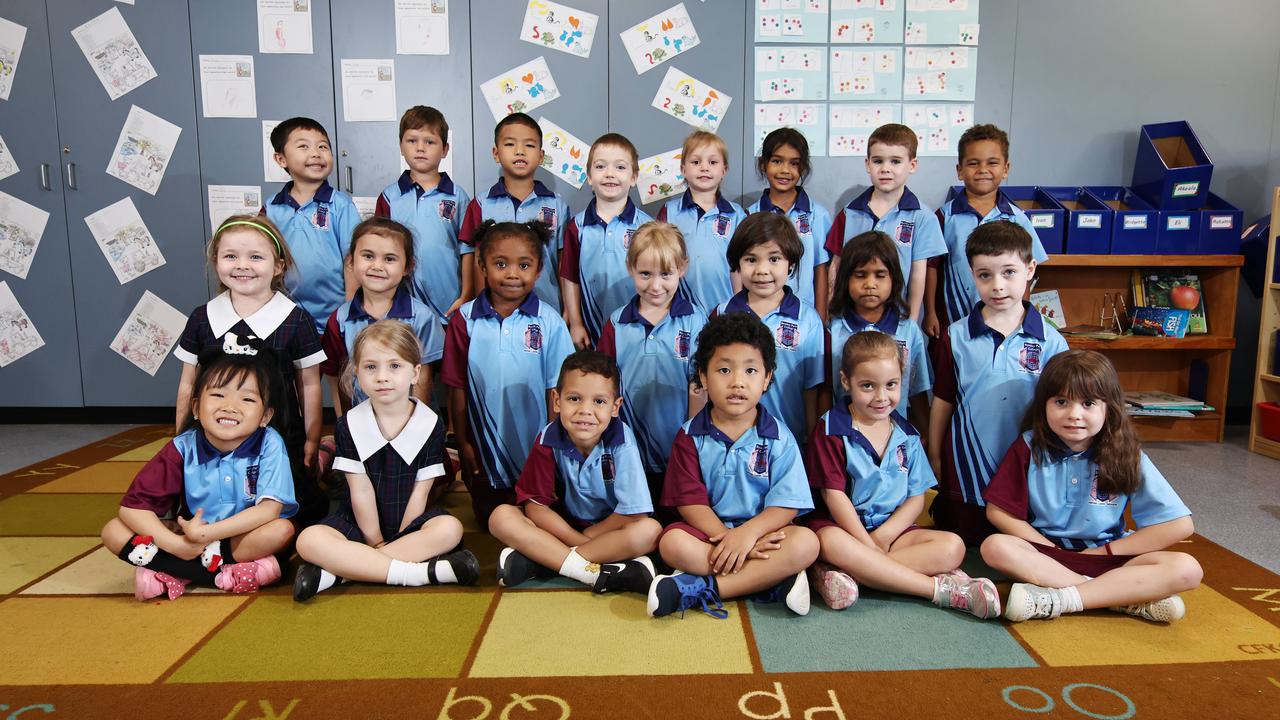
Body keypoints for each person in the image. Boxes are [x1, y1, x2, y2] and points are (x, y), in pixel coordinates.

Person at [981, 350, 1203, 623]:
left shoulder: (1127, 452)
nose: (1074, 414)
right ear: (1044, 405)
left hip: (1109, 556)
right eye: (1061, 402)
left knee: (1188, 569)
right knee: (995, 547)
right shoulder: (1029, 446)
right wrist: (1050, 548)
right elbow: (998, 511)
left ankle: (1061, 599)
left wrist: (1105, 552)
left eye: (1088, 403)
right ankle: (1120, 599)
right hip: (1048, 555)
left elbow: (1180, 525)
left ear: (1108, 407)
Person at [805, 331, 999, 617]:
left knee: (952, 547)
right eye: (868, 386)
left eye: (891, 385)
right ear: (846, 382)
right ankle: (939, 590)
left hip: (891, 531)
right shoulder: (831, 428)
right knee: (830, 543)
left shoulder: (907, 435)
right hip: (843, 529)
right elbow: (834, 497)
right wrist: (867, 544)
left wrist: (882, 539)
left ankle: (848, 576)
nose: (882, 397)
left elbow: (915, 500)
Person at [648, 313, 819, 619]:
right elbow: (690, 504)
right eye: (724, 370)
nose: (738, 382)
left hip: (762, 534)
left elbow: (787, 505)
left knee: (806, 543)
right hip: (711, 535)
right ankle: (771, 579)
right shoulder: (689, 436)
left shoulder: (779, 436)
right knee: (672, 544)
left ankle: (705, 589)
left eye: (751, 370)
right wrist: (730, 541)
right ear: (703, 376)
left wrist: (748, 535)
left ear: (767, 378)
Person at [294, 321, 478, 601]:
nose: (382, 377)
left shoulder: (430, 424)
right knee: (308, 540)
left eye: (394, 366)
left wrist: (402, 537)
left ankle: (338, 573)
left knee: (449, 529)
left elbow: (421, 490)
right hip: (359, 522)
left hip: (412, 521)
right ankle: (417, 573)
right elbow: (361, 490)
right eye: (370, 367)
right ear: (357, 372)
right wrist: (376, 541)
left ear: (415, 373)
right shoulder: (349, 425)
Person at [102, 349, 297, 600]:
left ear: (265, 416)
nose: (230, 407)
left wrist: (205, 535)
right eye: (217, 395)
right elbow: (132, 508)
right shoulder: (183, 447)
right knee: (113, 530)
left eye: (247, 400)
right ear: (196, 407)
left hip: (237, 539)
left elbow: (269, 510)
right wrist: (178, 546)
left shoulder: (269, 442)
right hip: (189, 537)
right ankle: (222, 574)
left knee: (280, 530)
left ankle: (172, 571)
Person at [174, 215, 326, 527]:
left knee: (295, 512)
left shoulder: (296, 320)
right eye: (230, 256)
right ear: (216, 261)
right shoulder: (202, 318)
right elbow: (188, 384)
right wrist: (180, 436)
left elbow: (309, 385)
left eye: (255, 257)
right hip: (214, 432)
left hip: (279, 433)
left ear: (278, 265)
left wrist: (312, 439)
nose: (242, 265)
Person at [928, 220, 1068, 545]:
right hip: (966, 468)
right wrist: (935, 454)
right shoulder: (956, 335)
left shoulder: (1052, 342)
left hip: (1028, 465)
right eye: (985, 275)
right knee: (965, 546)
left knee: (1021, 544)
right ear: (972, 275)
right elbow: (943, 400)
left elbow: (1061, 408)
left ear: (1030, 269)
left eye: (1009, 272)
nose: (998, 286)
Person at [488, 350, 661, 594]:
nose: (585, 411)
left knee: (649, 531)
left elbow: (633, 512)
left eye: (599, 401)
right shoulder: (548, 438)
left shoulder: (622, 441)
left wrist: (591, 534)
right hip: (561, 528)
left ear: (615, 406)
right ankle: (592, 572)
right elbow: (535, 507)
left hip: (608, 531)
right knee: (501, 517)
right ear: (557, 400)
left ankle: (543, 560)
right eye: (574, 399)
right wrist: (576, 539)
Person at [442, 220, 574, 527]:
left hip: (535, 448)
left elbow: (557, 391)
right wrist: (463, 442)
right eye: (501, 264)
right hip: (484, 451)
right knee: (491, 522)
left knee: (541, 517)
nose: (512, 274)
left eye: (524, 265)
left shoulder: (549, 321)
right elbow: (456, 386)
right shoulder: (465, 321)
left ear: (539, 269)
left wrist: (553, 448)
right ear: (483, 267)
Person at [596, 221, 708, 502]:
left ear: (682, 268)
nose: (655, 286)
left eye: (666, 274)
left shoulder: (695, 320)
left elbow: (701, 384)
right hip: (628, 447)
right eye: (645, 274)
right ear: (630, 268)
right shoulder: (616, 323)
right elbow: (601, 387)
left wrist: (691, 438)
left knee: (674, 515)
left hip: (678, 444)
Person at [924, 123, 1048, 338]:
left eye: (992, 163)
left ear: (1006, 168)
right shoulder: (945, 217)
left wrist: (1023, 313)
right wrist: (931, 313)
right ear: (959, 170)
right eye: (973, 163)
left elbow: (1027, 270)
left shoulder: (1018, 218)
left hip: (1005, 320)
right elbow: (932, 268)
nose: (982, 170)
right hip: (953, 321)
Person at [715, 212, 827, 444]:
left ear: (791, 264)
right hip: (733, 440)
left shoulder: (808, 320)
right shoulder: (722, 314)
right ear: (737, 264)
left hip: (791, 443)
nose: (762, 270)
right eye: (751, 259)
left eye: (774, 259)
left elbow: (813, 389)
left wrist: (811, 441)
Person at [320, 217, 443, 415]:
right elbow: (337, 376)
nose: (377, 266)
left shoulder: (422, 318)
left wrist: (416, 427)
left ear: (407, 267)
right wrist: (344, 422)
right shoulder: (340, 319)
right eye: (368, 256)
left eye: (389, 259)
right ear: (351, 261)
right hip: (363, 423)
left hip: (410, 422)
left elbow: (423, 378)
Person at [825, 123, 944, 322]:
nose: (885, 169)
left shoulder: (923, 217)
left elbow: (918, 274)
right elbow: (836, 266)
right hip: (851, 317)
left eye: (895, 161)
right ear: (867, 164)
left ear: (912, 165)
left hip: (896, 318)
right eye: (878, 161)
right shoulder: (849, 213)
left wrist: (912, 322)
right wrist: (831, 307)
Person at [460, 112, 570, 314]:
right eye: (510, 144)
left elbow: (564, 262)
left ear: (541, 156)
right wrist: (481, 306)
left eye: (529, 145)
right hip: (495, 311)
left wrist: (568, 310)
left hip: (546, 310)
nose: (520, 151)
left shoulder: (557, 205)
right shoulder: (481, 204)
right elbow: (476, 258)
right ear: (496, 153)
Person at [827, 230, 931, 434]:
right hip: (845, 435)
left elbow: (917, 389)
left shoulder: (908, 330)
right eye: (860, 275)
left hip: (895, 435)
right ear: (845, 280)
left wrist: (926, 435)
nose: (870, 284)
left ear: (894, 280)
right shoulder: (833, 330)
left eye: (880, 275)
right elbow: (826, 391)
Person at [263, 116, 360, 334]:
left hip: (333, 318)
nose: (315, 153)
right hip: (284, 315)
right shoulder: (271, 208)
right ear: (281, 159)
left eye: (323, 147)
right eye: (303, 146)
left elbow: (352, 258)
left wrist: (351, 304)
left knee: (332, 368)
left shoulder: (341, 205)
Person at [376, 105, 472, 320]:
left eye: (429, 142)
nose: (420, 148)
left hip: (448, 304)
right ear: (401, 146)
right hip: (399, 307)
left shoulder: (458, 197)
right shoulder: (390, 196)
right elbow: (378, 249)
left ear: (445, 149)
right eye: (412, 141)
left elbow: (468, 250)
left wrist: (466, 294)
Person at [560, 133, 653, 348]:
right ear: (589, 176)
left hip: (637, 325)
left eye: (620, 167)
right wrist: (575, 323)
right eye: (600, 166)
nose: (610, 174)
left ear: (634, 177)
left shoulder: (647, 227)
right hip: (591, 329)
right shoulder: (577, 226)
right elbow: (569, 277)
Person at [656, 130, 747, 313]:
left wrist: (740, 308)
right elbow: (658, 261)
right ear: (683, 169)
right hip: (679, 311)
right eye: (696, 162)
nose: (704, 168)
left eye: (712, 162)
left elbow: (742, 267)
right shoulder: (670, 211)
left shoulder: (737, 215)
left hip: (726, 310)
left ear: (724, 170)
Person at [748, 127, 832, 316]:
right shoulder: (750, 216)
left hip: (805, 316)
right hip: (761, 315)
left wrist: (820, 318)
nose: (785, 170)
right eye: (777, 161)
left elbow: (820, 270)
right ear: (764, 164)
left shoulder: (817, 215)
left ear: (802, 168)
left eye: (794, 163)